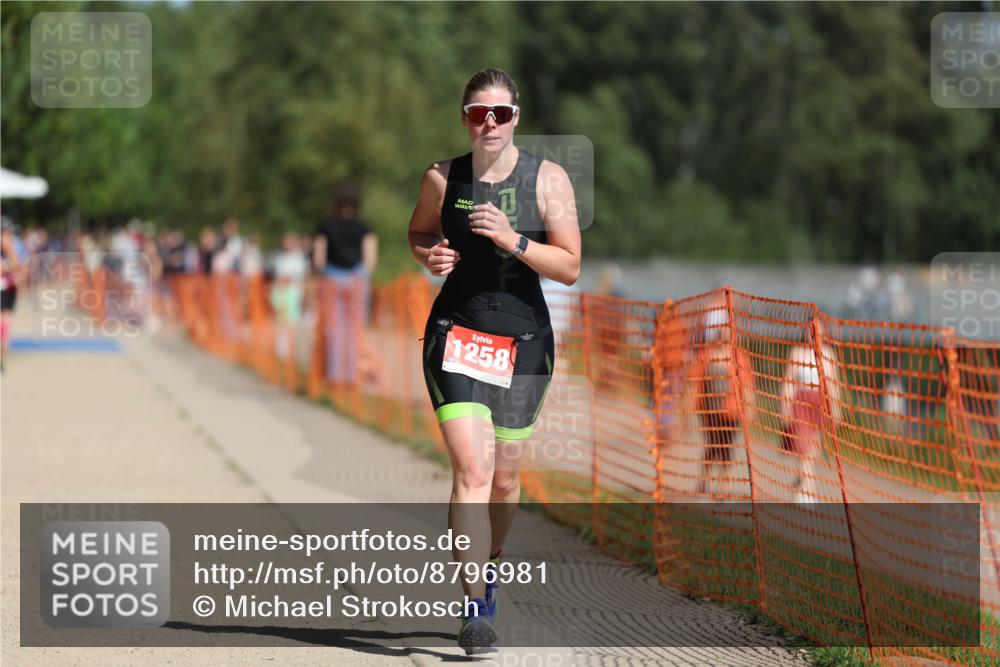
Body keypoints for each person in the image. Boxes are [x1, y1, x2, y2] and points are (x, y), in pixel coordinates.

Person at [407, 68, 580, 653]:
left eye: (500, 114)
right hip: (456, 333)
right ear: (464, 118)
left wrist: (513, 240)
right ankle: (475, 604)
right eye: (478, 113)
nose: (489, 123)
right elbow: (418, 232)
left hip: (525, 343)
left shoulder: (548, 179)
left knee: (504, 479)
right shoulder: (441, 177)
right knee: (473, 471)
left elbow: (570, 266)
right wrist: (429, 255)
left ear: (515, 118)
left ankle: (492, 559)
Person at [314, 182, 378, 386]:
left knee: (333, 330)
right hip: (356, 280)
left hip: (332, 280)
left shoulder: (326, 226)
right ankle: (351, 375)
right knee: (354, 330)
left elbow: (319, 260)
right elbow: (370, 260)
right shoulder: (364, 227)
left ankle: (335, 375)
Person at [778, 328, 841, 503]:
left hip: (819, 404)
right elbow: (789, 381)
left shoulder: (828, 355)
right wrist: (785, 406)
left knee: (813, 450)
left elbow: (833, 385)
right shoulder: (797, 352)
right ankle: (807, 489)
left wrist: (835, 408)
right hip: (801, 404)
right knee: (803, 448)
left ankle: (803, 484)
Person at [1, 218, 22, 372]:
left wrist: (9, 250)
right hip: (2, 288)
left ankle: (2, 354)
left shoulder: (10, 247)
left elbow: (16, 266)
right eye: (7, 233)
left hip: (9, 288)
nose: (9, 236)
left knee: (6, 321)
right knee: (3, 321)